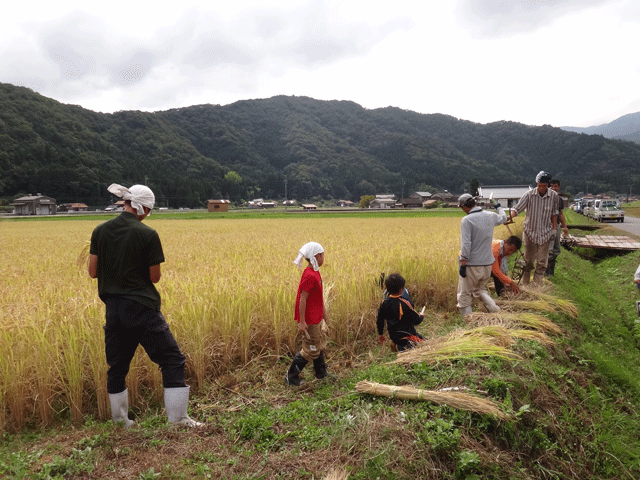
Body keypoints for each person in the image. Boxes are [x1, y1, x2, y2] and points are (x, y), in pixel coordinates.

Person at [89, 183, 202, 427]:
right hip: (141, 308)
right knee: (172, 359)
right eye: (149, 210)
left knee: (117, 366)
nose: (148, 215)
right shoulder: (147, 234)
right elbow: (154, 277)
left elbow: (92, 271)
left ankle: (121, 422)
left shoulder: (100, 231)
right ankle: (178, 420)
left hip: (114, 310)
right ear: (142, 208)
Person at [285, 242, 330, 386]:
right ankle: (291, 377)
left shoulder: (315, 272)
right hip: (309, 319)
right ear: (317, 256)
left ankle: (321, 374)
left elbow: (317, 296)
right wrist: (302, 322)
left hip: (316, 316)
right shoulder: (309, 275)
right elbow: (302, 299)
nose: (324, 257)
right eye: (322, 255)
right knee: (310, 349)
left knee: (318, 343)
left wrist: (324, 314)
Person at [457, 194, 508, 316]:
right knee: (480, 290)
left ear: (464, 206)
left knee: (464, 295)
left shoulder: (467, 220)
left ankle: (469, 321)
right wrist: (498, 207)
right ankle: (496, 312)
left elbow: (466, 243)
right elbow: (504, 218)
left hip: (472, 265)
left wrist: (463, 262)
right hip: (487, 264)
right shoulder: (490, 215)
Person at [508, 171, 559, 285]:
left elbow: (554, 214)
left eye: (544, 186)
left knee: (541, 263)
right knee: (528, 262)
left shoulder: (554, 196)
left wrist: (554, 229)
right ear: (536, 183)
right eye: (540, 185)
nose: (541, 188)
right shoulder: (529, 195)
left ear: (548, 185)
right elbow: (517, 208)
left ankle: (536, 287)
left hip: (545, 233)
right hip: (530, 233)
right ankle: (526, 285)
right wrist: (509, 217)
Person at [377, 273, 425, 351]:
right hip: (407, 337)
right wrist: (422, 315)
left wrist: (380, 334)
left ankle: (396, 344)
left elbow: (380, 319)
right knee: (425, 344)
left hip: (394, 337)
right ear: (401, 289)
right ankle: (400, 347)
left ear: (386, 288)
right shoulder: (405, 303)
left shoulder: (384, 303)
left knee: (419, 339)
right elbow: (416, 321)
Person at [546, 179, 569, 276]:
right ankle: (547, 273)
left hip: (558, 226)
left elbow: (561, 214)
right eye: (551, 186)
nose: (553, 188)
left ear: (558, 187)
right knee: (549, 249)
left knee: (556, 249)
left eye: (555, 186)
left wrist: (565, 227)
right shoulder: (546, 198)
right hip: (549, 226)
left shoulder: (559, 199)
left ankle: (552, 272)